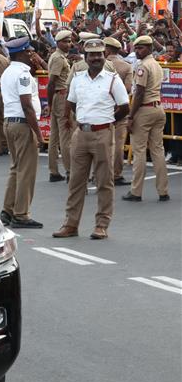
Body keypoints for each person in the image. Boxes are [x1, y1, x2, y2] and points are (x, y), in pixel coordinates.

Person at [53, 39, 130, 240]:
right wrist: (70, 121)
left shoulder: (113, 79)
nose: (96, 58)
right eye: (92, 55)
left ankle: (101, 225)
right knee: (76, 182)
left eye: (100, 54)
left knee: (104, 181)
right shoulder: (78, 78)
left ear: (104, 56)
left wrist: (110, 122)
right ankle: (70, 225)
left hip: (103, 133)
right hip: (81, 134)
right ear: (85, 58)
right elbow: (70, 102)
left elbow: (124, 107)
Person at [0, 37, 44, 229]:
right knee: (26, 171)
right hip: (23, 124)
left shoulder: (8, 72)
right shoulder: (23, 74)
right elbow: (27, 105)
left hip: (10, 122)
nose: (31, 55)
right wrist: (39, 133)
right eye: (28, 52)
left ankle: (8, 210)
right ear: (21, 53)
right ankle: (21, 214)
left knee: (16, 168)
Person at [122, 35, 169, 202]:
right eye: (136, 48)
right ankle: (163, 191)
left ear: (149, 48)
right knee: (158, 150)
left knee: (139, 151)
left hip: (144, 110)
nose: (137, 51)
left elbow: (139, 93)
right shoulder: (155, 64)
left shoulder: (143, 66)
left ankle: (136, 191)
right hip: (158, 108)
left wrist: (131, 116)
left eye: (140, 48)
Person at [103, 37, 133, 186]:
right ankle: (116, 174)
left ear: (107, 49)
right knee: (118, 144)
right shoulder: (126, 66)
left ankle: (99, 173)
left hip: (102, 108)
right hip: (119, 107)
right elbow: (127, 89)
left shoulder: (98, 64)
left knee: (101, 143)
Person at [46, 30, 73, 181]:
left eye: (69, 41)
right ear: (58, 43)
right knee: (65, 135)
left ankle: (54, 171)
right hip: (61, 96)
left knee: (55, 136)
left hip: (58, 96)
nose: (68, 44)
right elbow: (51, 83)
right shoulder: (58, 58)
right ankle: (69, 170)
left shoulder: (58, 57)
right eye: (65, 41)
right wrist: (50, 104)